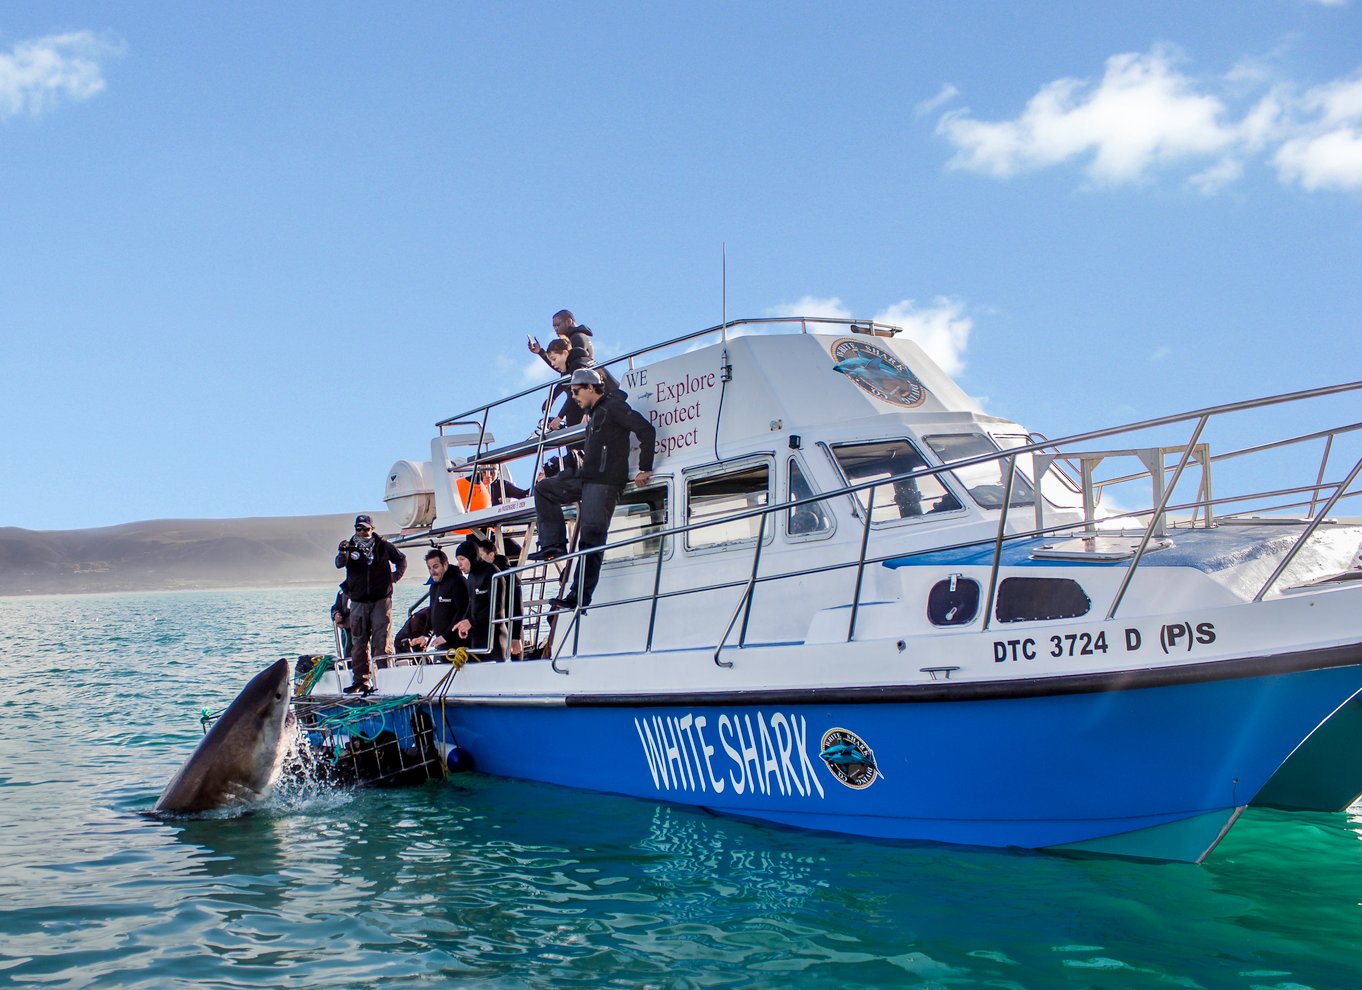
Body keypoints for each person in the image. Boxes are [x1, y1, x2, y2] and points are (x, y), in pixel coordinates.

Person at [529, 369, 656, 610]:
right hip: (588, 477)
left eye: (576, 392)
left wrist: (645, 468)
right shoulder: (595, 413)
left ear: (590, 388)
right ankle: (553, 545)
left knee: (591, 539)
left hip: (605, 482)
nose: (574, 397)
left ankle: (578, 597)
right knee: (544, 489)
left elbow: (645, 430)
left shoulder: (613, 407)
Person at [334, 514, 407, 694]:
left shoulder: (383, 546)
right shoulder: (350, 548)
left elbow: (401, 560)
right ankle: (361, 680)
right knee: (358, 641)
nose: (363, 532)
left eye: (366, 529)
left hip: (381, 600)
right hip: (358, 601)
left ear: (372, 529)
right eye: (359, 529)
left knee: (382, 640)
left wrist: (393, 578)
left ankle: (385, 678)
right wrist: (343, 552)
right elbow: (339, 564)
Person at [540, 339, 623, 431]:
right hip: (616, 396)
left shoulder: (578, 366)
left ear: (565, 353)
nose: (553, 364)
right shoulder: (579, 361)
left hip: (613, 402)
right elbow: (564, 384)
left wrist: (559, 418)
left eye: (554, 359)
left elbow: (577, 393)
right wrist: (552, 398)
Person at [408, 548, 471, 654]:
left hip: (458, 644)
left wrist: (446, 637)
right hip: (442, 644)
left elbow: (463, 611)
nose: (432, 571)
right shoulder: (434, 586)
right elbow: (432, 611)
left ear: (445, 565)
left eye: (436, 567)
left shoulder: (458, 581)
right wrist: (426, 635)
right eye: (429, 568)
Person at [527, 309, 595, 367]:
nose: (556, 329)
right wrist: (540, 352)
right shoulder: (576, 337)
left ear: (568, 321)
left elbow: (571, 367)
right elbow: (563, 367)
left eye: (557, 325)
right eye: (554, 327)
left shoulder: (577, 337)